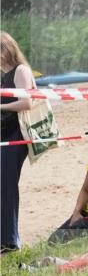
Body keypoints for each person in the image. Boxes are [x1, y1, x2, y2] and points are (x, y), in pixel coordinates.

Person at [1, 32, 34, 253]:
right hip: (5, 134)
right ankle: (8, 238)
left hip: (16, 134)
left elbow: (27, 102)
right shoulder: (4, 75)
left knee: (6, 185)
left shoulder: (20, 71)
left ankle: (10, 241)